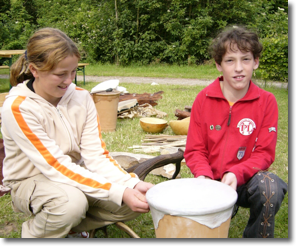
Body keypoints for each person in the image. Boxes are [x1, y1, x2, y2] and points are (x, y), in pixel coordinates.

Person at [1, 27, 153, 238]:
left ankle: (67, 225)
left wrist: (131, 184)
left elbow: (96, 156)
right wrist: (118, 191)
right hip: (30, 180)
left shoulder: (81, 97)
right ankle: (36, 234)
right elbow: (54, 166)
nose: (69, 80)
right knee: (71, 203)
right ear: (35, 70)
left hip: (71, 171)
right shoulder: (19, 107)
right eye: (60, 74)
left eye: (73, 71)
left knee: (132, 202)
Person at [184, 26, 288, 238]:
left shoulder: (267, 101)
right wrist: (203, 177)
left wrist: (236, 173)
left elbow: (265, 153)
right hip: (211, 181)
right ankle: (220, 210)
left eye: (246, 59)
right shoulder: (203, 99)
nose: (239, 68)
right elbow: (195, 150)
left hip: (244, 181)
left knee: (270, 187)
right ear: (218, 65)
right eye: (230, 60)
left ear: (256, 62)